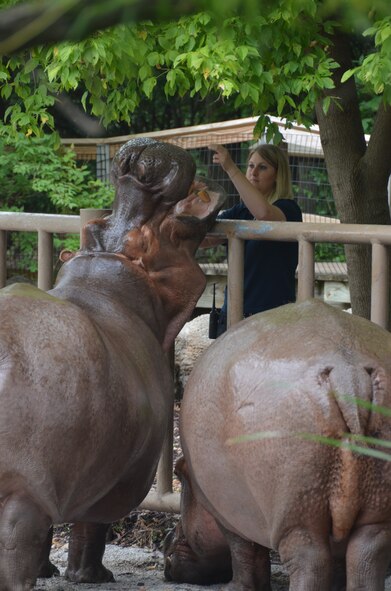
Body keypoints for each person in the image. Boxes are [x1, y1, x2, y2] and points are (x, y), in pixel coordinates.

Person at [206, 142, 302, 336]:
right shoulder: (240, 210)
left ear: (278, 175)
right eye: (250, 166)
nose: (253, 172)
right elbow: (205, 240)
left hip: (272, 319)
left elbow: (264, 213)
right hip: (233, 315)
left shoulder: (288, 208)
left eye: (262, 167)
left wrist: (231, 168)